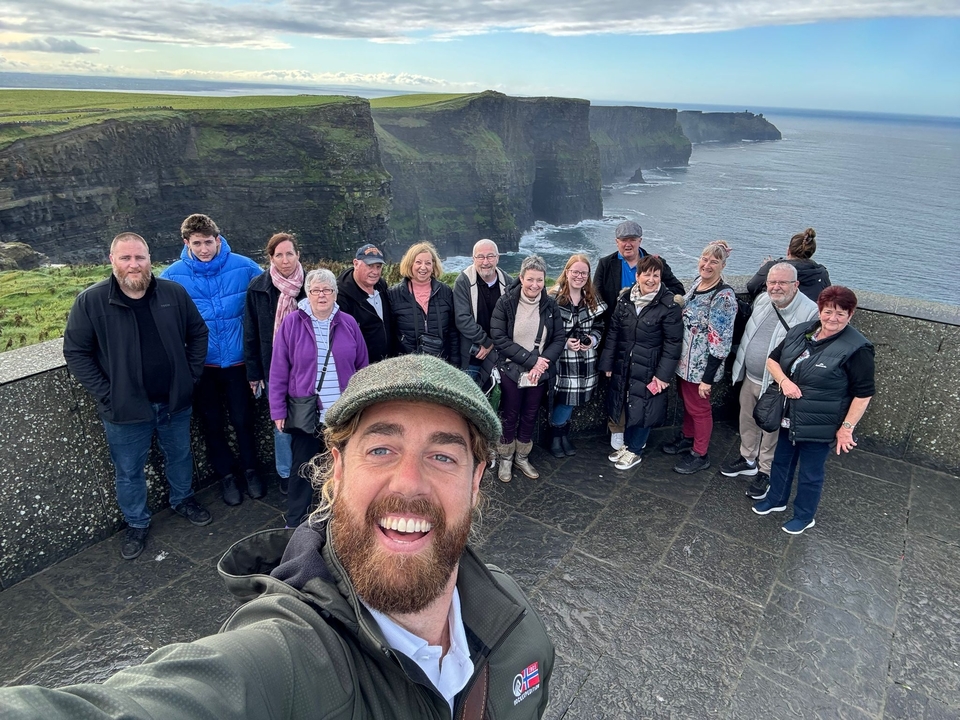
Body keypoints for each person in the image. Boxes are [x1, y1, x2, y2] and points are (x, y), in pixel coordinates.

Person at [0, 355, 555, 719]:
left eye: (443, 456)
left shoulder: (519, 629)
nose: (408, 483)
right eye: (381, 449)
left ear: (476, 482)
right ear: (337, 470)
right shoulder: (287, 659)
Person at [63, 233, 211, 561]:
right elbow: (75, 352)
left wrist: (189, 377)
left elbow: (198, 332)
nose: (134, 265)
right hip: (125, 410)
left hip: (174, 402)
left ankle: (183, 499)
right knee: (129, 470)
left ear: (149, 259)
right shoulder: (91, 301)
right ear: (112, 260)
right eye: (126, 258)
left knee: (180, 456)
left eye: (140, 257)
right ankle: (136, 522)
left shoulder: (173, 293)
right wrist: (108, 394)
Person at [752, 286, 875, 534]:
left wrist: (846, 429)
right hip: (789, 415)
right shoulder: (801, 331)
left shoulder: (858, 349)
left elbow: (863, 394)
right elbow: (773, 360)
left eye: (840, 313)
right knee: (781, 461)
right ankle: (776, 499)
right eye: (828, 311)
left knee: (810, 472)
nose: (833, 318)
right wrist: (784, 382)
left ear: (850, 315)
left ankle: (804, 516)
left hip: (822, 422)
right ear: (820, 311)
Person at [161, 213, 265, 506]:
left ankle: (251, 470)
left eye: (208, 242)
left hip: (238, 363)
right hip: (201, 366)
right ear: (186, 243)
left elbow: (269, 297)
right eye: (197, 243)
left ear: (218, 240)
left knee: (244, 420)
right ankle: (227, 477)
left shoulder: (245, 267)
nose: (204, 249)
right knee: (212, 423)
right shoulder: (171, 276)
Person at [270, 269, 369, 528]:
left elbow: (362, 366)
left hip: (342, 413)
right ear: (308, 294)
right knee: (303, 468)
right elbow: (279, 368)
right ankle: (295, 522)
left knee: (344, 466)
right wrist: (278, 410)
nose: (321, 295)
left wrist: (363, 405)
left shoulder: (348, 323)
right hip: (307, 411)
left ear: (335, 294)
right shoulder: (292, 323)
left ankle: (342, 518)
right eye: (316, 290)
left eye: (327, 290)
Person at [724, 263, 819, 499]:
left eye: (782, 282)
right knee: (747, 420)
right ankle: (747, 459)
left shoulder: (810, 312)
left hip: (777, 383)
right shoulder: (763, 300)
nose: (776, 287)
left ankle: (766, 471)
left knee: (771, 428)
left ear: (796, 285)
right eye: (772, 282)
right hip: (751, 376)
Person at [593, 220, 684, 450]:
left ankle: (635, 439)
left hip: (649, 340)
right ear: (617, 242)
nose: (628, 244)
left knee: (640, 392)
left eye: (632, 239)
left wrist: (657, 304)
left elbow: (678, 290)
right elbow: (596, 297)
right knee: (618, 388)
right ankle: (617, 429)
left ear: (640, 241)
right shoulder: (606, 264)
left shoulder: (655, 263)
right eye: (624, 240)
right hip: (619, 335)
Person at [662, 240, 738, 474]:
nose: (707, 265)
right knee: (689, 404)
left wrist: (707, 379)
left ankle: (700, 453)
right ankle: (688, 437)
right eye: (704, 259)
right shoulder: (698, 283)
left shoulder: (723, 297)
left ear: (723, 266)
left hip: (701, 367)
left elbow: (721, 341)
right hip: (685, 362)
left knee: (700, 408)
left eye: (714, 261)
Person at [490, 255, 564, 482]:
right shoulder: (506, 302)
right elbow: (499, 337)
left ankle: (522, 457)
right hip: (511, 369)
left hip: (538, 373)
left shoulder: (550, 305)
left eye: (539, 280)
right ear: (521, 278)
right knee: (510, 413)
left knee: (530, 413)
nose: (535, 285)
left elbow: (558, 338)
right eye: (530, 279)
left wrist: (542, 363)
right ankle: (506, 458)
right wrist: (533, 361)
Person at [243, 232, 306, 496]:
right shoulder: (258, 287)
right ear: (271, 258)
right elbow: (251, 332)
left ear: (298, 255)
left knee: (309, 421)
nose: (285, 260)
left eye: (289, 253)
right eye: (279, 255)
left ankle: (307, 470)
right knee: (281, 424)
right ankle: (285, 473)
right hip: (274, 368)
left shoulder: (311, 284)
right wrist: (254, 372)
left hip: (307, 368)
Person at [547, 254, 606, 457]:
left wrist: (592, 340)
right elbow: (545, 330)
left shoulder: (591, 297)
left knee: (572, 400)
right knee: (565, 399)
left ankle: (562, 436)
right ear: (567, 272)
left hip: (585, 359)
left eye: (584, 273)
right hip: (561, 360)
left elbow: (600, 325)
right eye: (575, 272)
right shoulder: (553, 298)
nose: (579, 276)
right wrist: (564, 342)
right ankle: (555, 437)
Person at [453, 238, 511, 388]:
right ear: (473, 259)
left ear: (498, 258)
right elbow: (462, 318)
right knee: (470, 395)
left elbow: (512, 320)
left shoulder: (508, 283)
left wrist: (493, 344)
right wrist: (486, 342)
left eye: (490, 256)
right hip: (474, 355)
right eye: (480, 257)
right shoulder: (463, 282)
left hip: (501, 356)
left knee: (499, 397)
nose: (485, 261)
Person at [388, 241, 459, 363]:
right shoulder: (394, 294)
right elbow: (390, 334)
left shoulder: (445, 291)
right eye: (418, 262)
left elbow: (453, 332)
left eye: (428, 263)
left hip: (442, 363)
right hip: (407, 365)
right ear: (410, 264)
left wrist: (455, 363)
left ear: (433, 266)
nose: (423, 267)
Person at [336, 243, 396, 364]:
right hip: (362, 367)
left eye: (378, 267)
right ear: (356, 263)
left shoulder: (381, 285)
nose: (375, 272)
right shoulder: (340, 296)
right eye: (370, 266)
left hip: (388, 364)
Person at [746, 227, 831, 302]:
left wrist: (768, 271)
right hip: (809, 314)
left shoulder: (772, 267)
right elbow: (827, 296)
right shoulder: (822, 273)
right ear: (811, 253)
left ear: (788, 251)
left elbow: (752, 286)